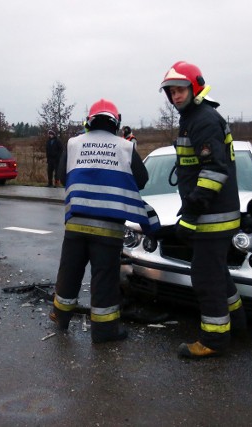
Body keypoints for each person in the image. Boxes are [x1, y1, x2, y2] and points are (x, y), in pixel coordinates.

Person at [49, 99, 159, 343]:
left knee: (69, 273)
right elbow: (141, 180)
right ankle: (104, 331)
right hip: (108, 229)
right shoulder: (125, 147)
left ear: (88, 122)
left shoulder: (73, 143)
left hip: (76, 224)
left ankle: (60, 317)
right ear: (116, 123)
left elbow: (60, 175)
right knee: (104, 280)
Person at [159, 61, 244, 359]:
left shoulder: (203, 120)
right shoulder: (194, 117)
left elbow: (213, 173)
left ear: (195, 87)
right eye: (170, 92)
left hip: (212, 216)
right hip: (214, 214)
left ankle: (214, 340)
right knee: (218, 272)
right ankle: (239, 321)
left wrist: (191, 214)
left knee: (205, 278)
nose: (175, 97)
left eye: (180, 90)